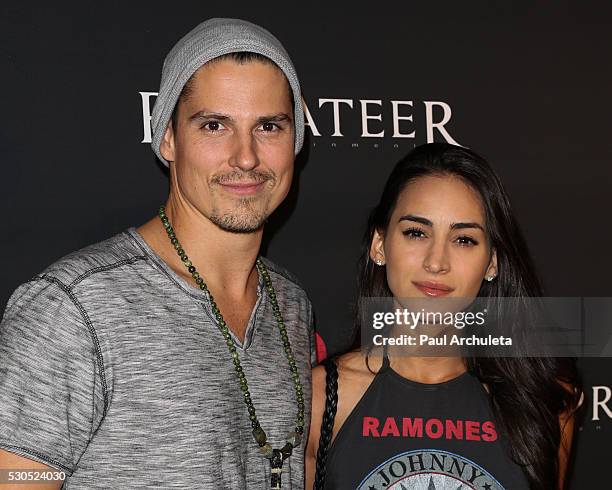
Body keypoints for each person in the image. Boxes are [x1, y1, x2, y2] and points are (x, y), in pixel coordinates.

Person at [0, 18, 315, 489]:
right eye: (214, 125)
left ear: (295, 142)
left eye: (269, 126)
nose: (246, 157)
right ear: (167, 137)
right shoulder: (72, 308)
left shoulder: (292, 304)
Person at [306, 143, 582, 489]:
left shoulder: (543, 400)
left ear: (492, 262)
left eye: (464, 240)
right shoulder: (319, 399)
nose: (436, 262)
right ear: (380, 244)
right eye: (416, 232)